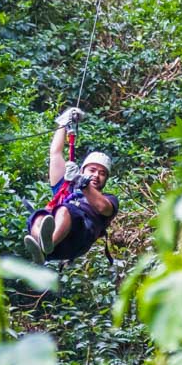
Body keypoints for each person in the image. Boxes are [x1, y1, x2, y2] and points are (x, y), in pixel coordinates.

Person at [24, 108, 118, 265]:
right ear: (83, 170)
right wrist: (63, 123)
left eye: (102, 173)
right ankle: (41, 247)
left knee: (65, 209)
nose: (96, 175)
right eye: (92, 170)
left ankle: (48, 245)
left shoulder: (109, 199)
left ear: (105, 179)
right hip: (59, 242)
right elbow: (55, 154)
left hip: (79, 239)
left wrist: (82, 183)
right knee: (39, 216)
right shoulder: (66, 187)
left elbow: (103, 208)